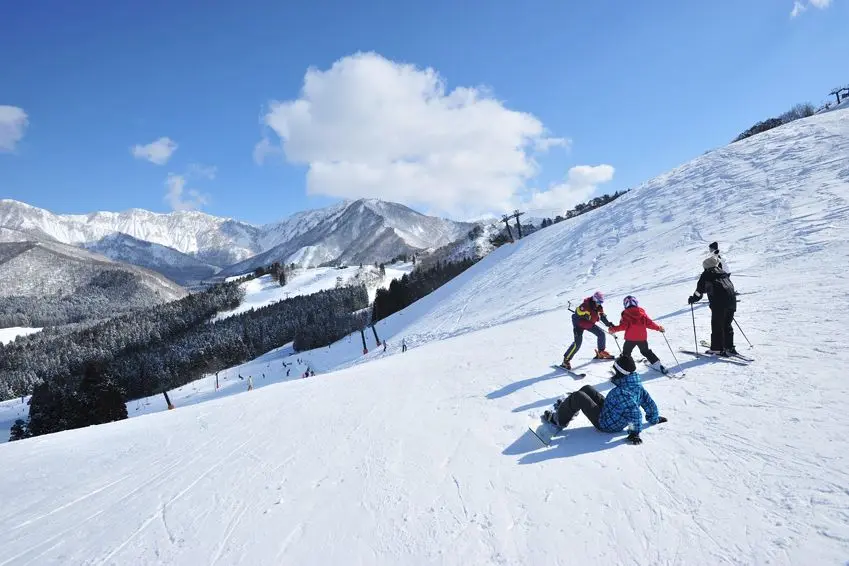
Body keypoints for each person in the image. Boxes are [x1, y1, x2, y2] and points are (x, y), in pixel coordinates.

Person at [543, 354, 666, 445]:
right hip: (610, 411)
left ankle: (558, 420)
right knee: (587, 388)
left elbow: (635, 414)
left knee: (578, 396)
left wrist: (634, 433)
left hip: (607, 424)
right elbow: (649, 403)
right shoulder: (636, 385)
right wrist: (654, 419)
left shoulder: (622, 392)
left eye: (614, 370)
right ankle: (569, 407)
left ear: (620, 372)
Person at [688, 255, 737, 355]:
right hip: (732, 301)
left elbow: (699, 291)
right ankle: (729, 346)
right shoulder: (723, 272)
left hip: (719, 304)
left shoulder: (706, 275)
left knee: (717, 326)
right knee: (727, 325)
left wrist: (693, 299)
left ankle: (717, 348)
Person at [608, 295, 668, 374]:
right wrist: (658, 328)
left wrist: (613, 329)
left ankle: (623, 369)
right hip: (642, 338)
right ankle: (659, 365)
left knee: (626, 353)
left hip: (630, 339)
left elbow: (623, 326)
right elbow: (650, 323)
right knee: (646, 351)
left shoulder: (625, 314)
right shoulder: (641, 313)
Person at [561, 291, 614, 369]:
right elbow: (577, 312)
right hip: (578, 324)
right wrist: (583, 314)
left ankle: (601, 352)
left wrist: (608, 324)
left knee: (601, 334)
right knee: (577, 343)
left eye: (601, 302)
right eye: (599, 302)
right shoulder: (586, 305)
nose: (600, 303)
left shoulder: (599, 307)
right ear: (594, 299)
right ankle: (565, 361)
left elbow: (602, 316)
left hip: (588, 324)